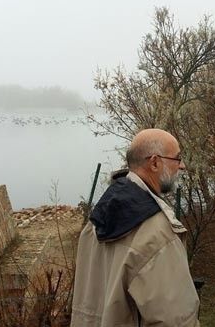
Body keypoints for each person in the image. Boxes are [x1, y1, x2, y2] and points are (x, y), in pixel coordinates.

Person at [71, 128, 200, 327]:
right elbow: (174, 320)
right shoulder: (158, 234)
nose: (182, 166)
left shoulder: (95, 221)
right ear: (155, 162)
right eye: (177, 158)